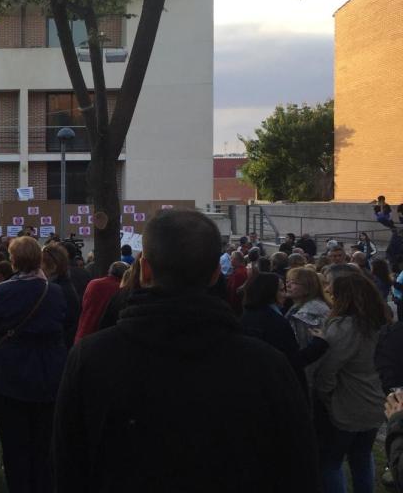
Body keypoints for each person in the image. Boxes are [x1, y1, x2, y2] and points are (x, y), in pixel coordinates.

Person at [54, 209, 319, 492]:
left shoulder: (91, 358)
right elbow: (298, 470)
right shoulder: (267, 367)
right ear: (216, 273)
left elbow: (68, 467)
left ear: (144, 270)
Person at [0, 237, 66, 493]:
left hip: (10, 380)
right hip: (48, 377)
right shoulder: (55, 292)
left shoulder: (3, 291)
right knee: (42, 445)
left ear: (13, 261)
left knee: (15, 447)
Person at [312, 272, 391, 493]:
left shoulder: (346, 326)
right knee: (361, 457)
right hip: (374, 402)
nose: (328, 292)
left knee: (332, 462)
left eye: (332, 289)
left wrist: (326, 398)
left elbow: (327, 372)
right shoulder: (381, 321)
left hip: (348, 406)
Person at [240, 272, 310, 391]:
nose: (286, 295)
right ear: (269, 293)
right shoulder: (274, 321)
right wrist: (319, 345)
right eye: (281, 290)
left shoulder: (247, 316)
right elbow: (292, 360)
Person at [74, 261, 127, 343]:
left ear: (110, 271)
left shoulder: (93, 284)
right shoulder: (122, 290)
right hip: (103, 339)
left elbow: (84, 304)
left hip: (84, 330)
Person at [41, 243, 80, 349]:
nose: (39, 268)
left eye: (41, 264)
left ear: (52, 266)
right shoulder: (63, 284)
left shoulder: (57, 290)